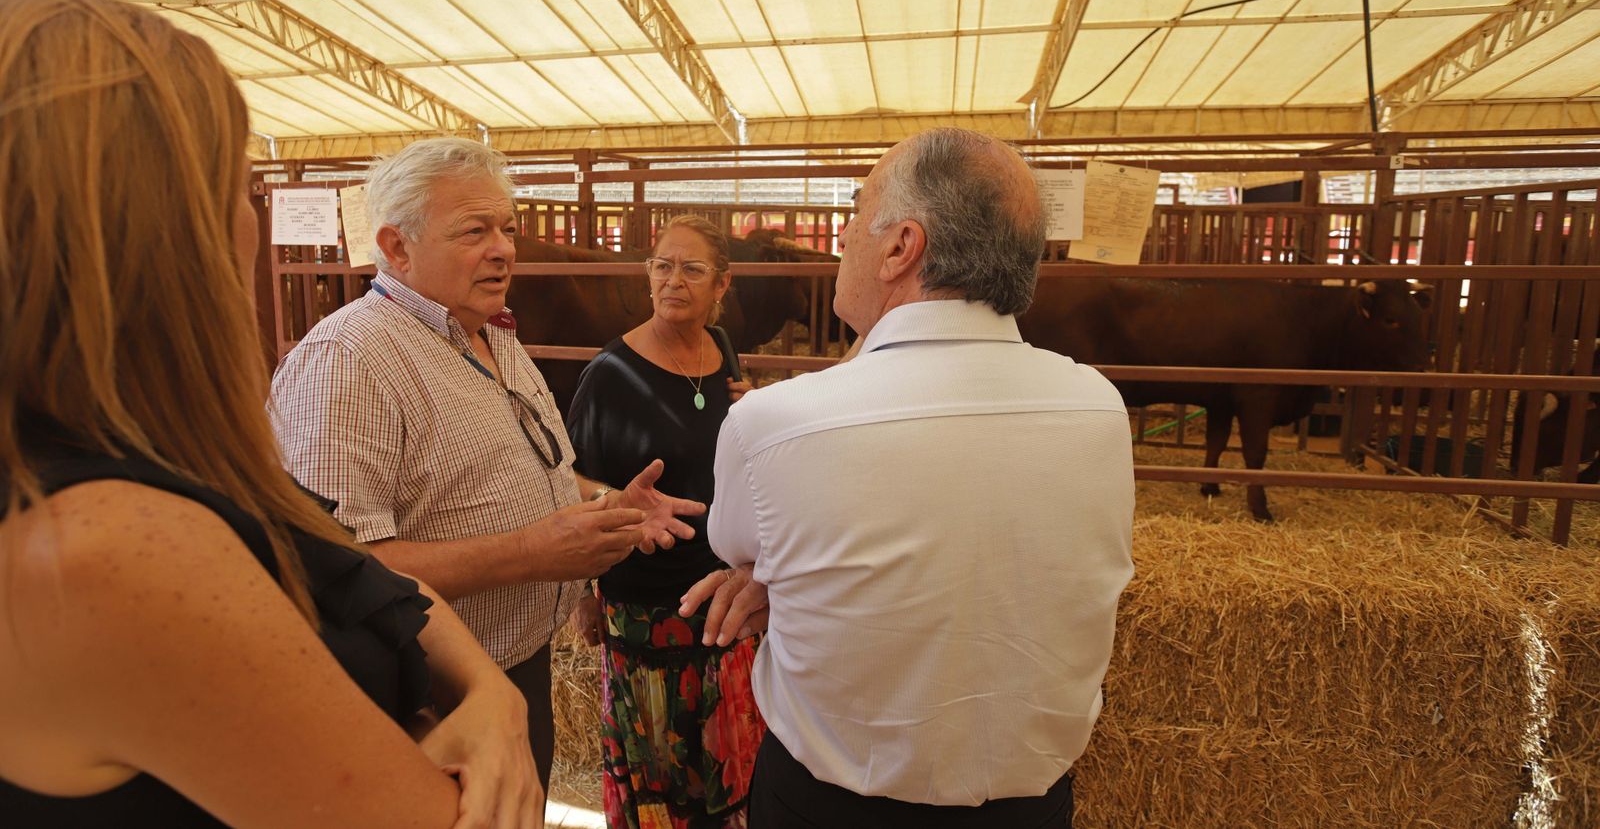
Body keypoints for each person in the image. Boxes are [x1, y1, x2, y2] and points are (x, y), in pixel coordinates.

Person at [0, 0, 538, 828]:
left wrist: (490, 693)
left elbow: (347, 557)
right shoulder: (105, 546)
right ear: (164, 225)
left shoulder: (138, 453)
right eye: (236, 184)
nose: (250, 222)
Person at [682, 128, 1136, 828]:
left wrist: (789, 581)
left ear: (901, 247)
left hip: (828, 807)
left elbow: (743, 554)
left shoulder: (773, 424)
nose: (840, 237)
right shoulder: (1099, 409)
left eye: (857, 212)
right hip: (1031, 810)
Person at [269, 137, 704, 796]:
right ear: (396, 247)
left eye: (507, 227)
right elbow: (339, 568)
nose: (503, 247)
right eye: (475, 231)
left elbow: (521, 464)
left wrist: (603, 498)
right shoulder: (351, 362)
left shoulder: (490, 334)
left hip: (512, 670)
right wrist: (532, 551)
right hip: (421, 702)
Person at [564, 216, 765, 829]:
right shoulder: (610, 376)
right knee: (661, 781)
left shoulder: (721, 349)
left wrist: (752, 407)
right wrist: (584, 591)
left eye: (692, 269)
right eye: (662, 265)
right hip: (647, 611)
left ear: (721, 285)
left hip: (724, 605)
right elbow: (567, 480)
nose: (673, 280)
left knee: (728, 773)